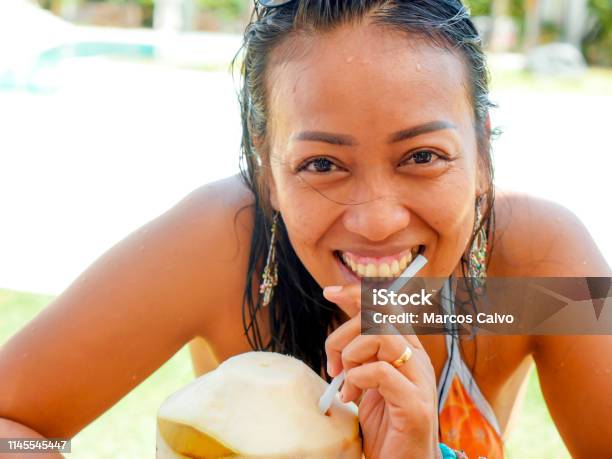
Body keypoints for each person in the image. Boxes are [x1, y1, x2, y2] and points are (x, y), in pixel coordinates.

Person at [1, 1, 610, 458]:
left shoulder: (540, 270)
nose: (377, 220)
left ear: (482, 151)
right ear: (267, 172)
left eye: (422, 156)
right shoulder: (220, 243)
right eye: (322, 164)